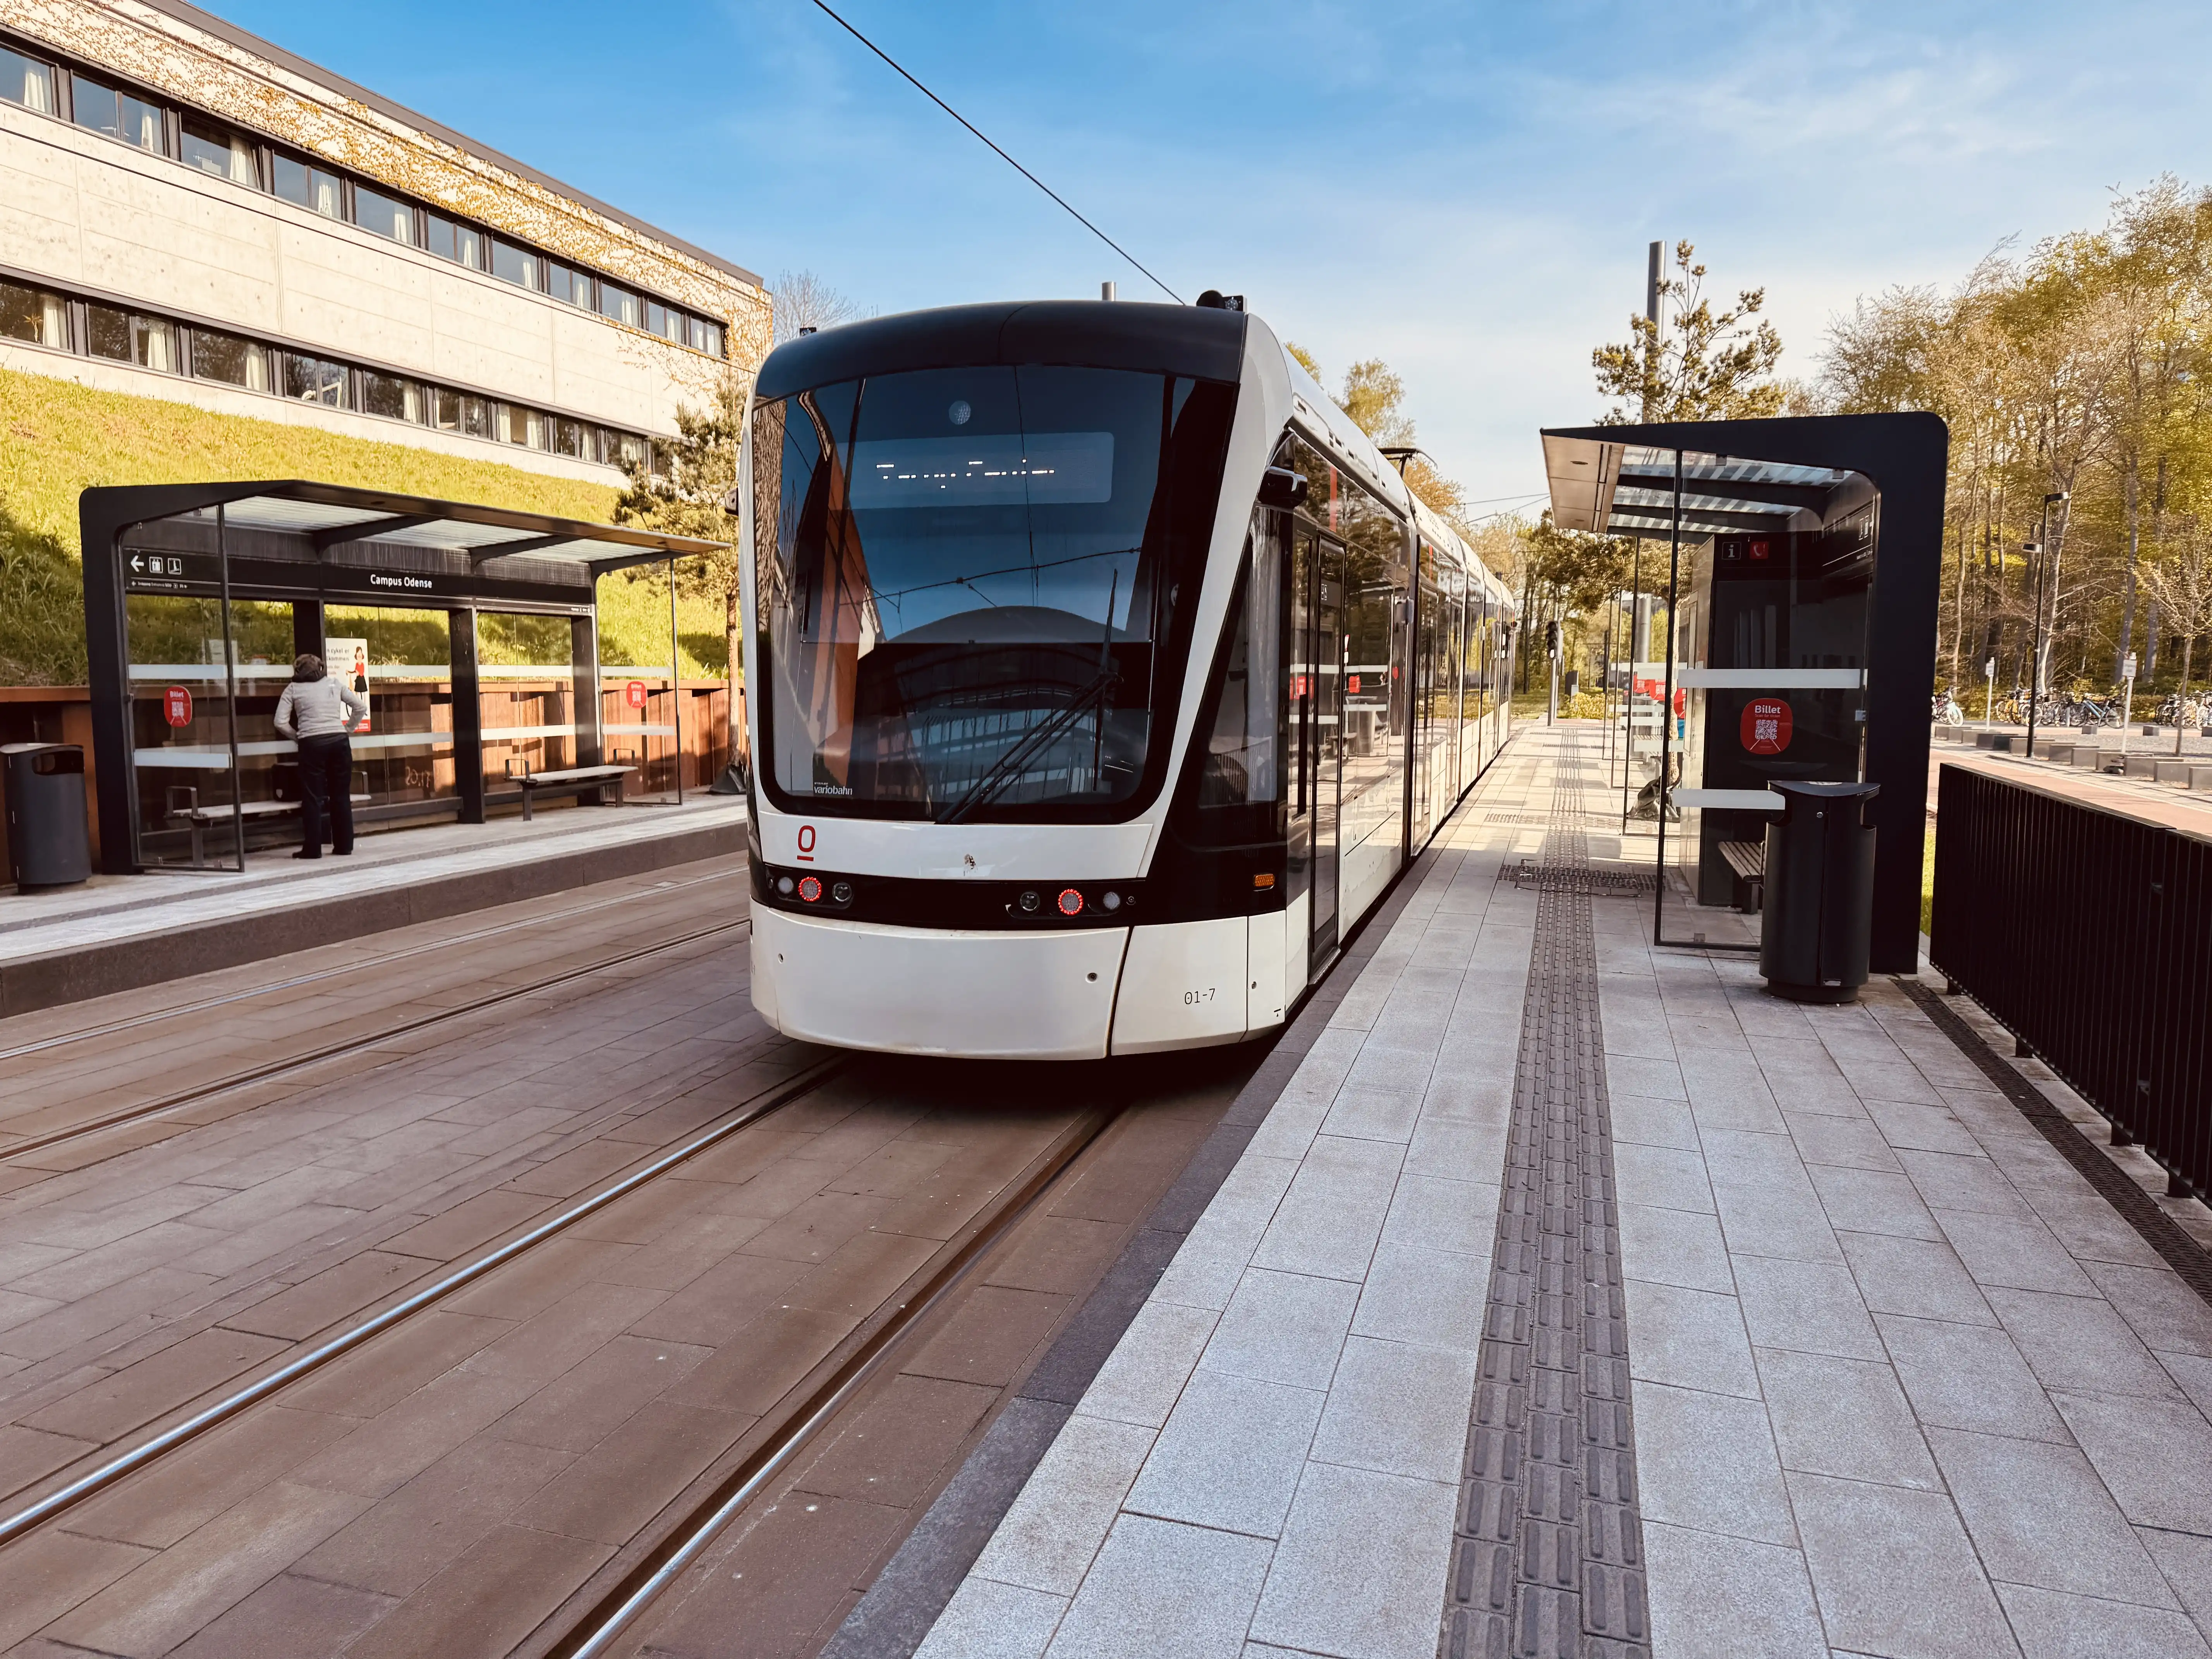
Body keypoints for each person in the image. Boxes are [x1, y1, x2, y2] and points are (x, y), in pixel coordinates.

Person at [273, 653, 368, 859]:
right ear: (321, 668)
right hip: (339, 742)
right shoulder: (334, 684)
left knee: (312, 797)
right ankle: (344, 846)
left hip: (311, 745)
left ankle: (313, 849)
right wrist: (348, 729)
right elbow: (360, 707)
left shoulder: (293, 689)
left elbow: (280, 722)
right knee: (341, 795)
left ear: (297, 671)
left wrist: (298, 737)